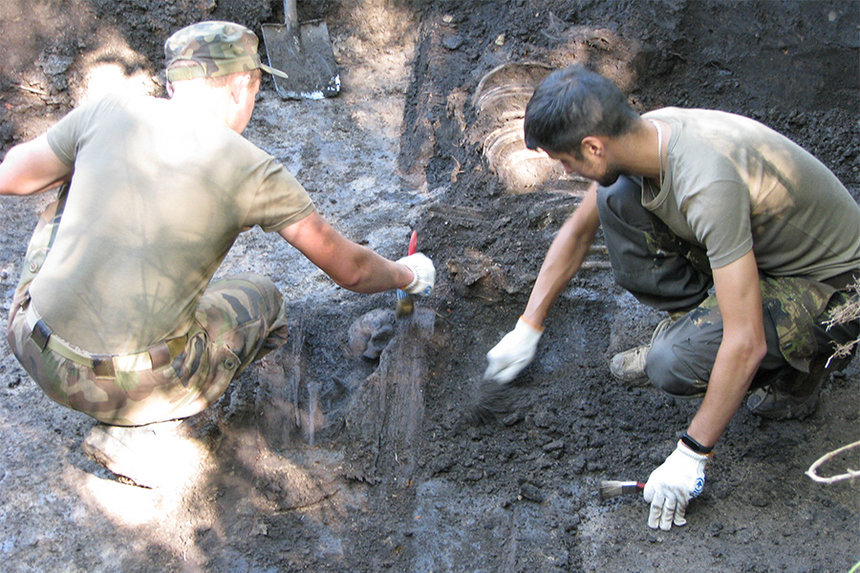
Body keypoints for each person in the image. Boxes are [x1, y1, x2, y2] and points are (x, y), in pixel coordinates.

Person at [0, 21, 434, 428]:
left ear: (173, 85)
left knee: (67, 182)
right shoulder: (251, 168)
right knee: (263, 299)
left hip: (32, 343)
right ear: (243, 85)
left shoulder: (109, 109)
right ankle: (162, 428)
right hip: (129, 392)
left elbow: (12, 176)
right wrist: (407, 274)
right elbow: (351, 270)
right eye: (256, 89)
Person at [484, 65, 860, 531]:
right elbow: (578, 231)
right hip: (766, 258)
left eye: (565, 160)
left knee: (670, 362)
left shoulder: (707, 184)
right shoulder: (645, 136)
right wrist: (528, 326)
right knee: (614, 197)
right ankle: (700, 334)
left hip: (836, 292)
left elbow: (747, 342)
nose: (565, 171)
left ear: (594, 146)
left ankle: (794, 379)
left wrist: (691, 454)